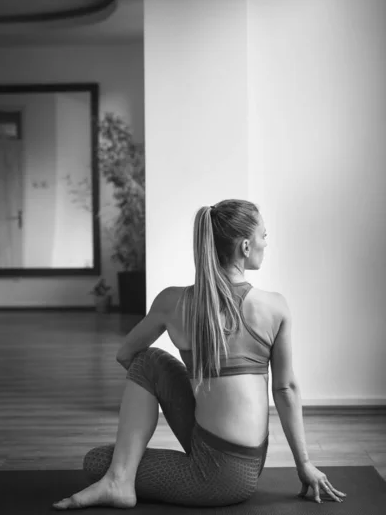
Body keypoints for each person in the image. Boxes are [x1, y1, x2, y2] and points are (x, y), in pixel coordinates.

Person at [53, 199, 347, 509]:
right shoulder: (274, 307)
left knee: (97, 458)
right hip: (246, 466)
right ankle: (120, 480)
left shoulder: (172, 302)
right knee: (150, 363)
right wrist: (304, 465)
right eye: (264, 235)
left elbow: (126, 354)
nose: (266, 243)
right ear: (246, 246)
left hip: (218, 479)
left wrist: (190, 395)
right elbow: (285, 390)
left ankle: (118, 480)